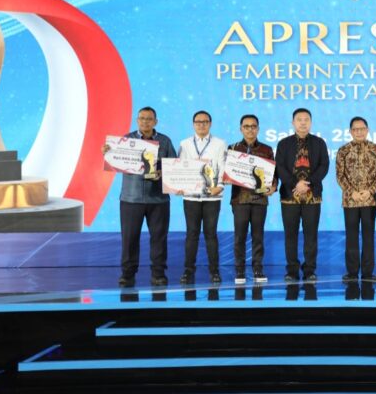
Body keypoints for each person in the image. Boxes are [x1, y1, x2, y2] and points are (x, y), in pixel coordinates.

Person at [102, 106, 177, 287]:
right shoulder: (126, 140)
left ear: (155, 122)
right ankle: (127, 275)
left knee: (159, 238)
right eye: (142, 118)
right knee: (129, 238)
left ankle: (158, 274)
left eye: (149, 119)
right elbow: (115, 162)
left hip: (158, 199)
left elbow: (175, 166)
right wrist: (108, 153)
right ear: (137, 120)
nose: (145, 122)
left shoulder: (165, 141)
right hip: (131, 198)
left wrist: (162, 173)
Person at [275, 108, 329, 282]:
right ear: (293, 122)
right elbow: (280, 167)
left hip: (312, 196)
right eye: (299, 119)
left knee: (311, 235)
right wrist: (295, 184)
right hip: (289, 196)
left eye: (306, 119)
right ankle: (291, 271)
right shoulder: (284, 144)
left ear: (311, 122)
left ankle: (309, 270)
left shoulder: (319, 143)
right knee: (290, 235)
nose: (303, 123)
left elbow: (324, 166)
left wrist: (308, 183)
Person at [177, 110, 227, 285]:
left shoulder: (220, 143)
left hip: (212, 196)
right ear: (193, 124)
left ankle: (214, 271)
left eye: (205, 122)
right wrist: (177, 185)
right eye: (198, 122)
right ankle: (188, 271)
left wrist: (219, 186)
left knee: (211, 234)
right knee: (191, 234)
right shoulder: (184, 144)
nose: (201, 125)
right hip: (191, 197)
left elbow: (222, 166)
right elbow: (179, 166)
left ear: (210, 124)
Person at [336, 116, 376, 282]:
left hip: (369, 200)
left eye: (362, 129)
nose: (359, 132)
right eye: (355, 129)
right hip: (350, 200)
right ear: (350, 131)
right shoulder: (343, 150)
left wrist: (369, 191)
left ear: (367, 130)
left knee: (368, 236)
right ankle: (351, 273)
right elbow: (340, 175)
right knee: (351, 236)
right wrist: (352, 192)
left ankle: (367, 273)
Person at [228, 114, 277, 284]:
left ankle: (258, 269)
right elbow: (226, 173)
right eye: (246, 126)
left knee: (258, 237)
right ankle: (240, 271)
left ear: (258, 129)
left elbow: (274, 174)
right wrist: (225, 178)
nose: (250, 129)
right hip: (239, 199)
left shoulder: (266, 149)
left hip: (259, 199)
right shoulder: (232, 149)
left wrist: (273, 187)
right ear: (241, 129)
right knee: (239, 237)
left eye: (253, 126)